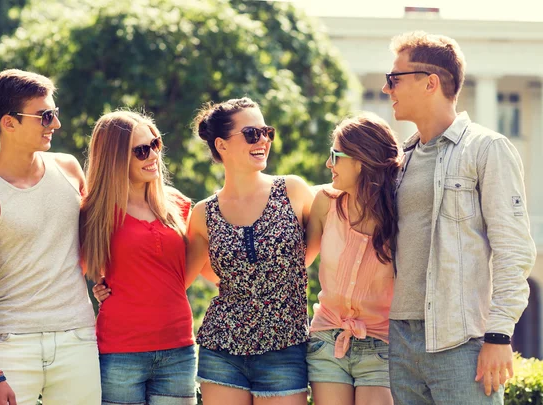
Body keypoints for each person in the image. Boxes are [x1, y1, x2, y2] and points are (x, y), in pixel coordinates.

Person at [381, 31, 537, 404]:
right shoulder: (402, 160)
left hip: (461, 343)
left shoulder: (487, 149)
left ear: (430, 82)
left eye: (394, 79)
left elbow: (513, 249)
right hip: (402, 341)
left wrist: (498, 335)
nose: (388, 90)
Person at [0, 69, 100, 405]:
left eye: (55, 113)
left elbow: (94, 243)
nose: (55, 124)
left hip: (76, 339)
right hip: (10, 345)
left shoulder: (69, 169)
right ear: (9, 123)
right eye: (45, 116)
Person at [185, 97, 314, 405]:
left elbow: (319, 246)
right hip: (221, 349)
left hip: (285, 347)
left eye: (266, 131)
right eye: (252, 134)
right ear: (222, 145)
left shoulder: (294, 192)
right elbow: (184, 276)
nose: (264, 141)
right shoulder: (204, 213)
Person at [81, 111, 197, 405]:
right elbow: (66, 268)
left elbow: (201, 267)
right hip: (120, 352)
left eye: (155, 144)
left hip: (178, 349)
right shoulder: (94, 213)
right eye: (141, 150)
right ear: (115, 157)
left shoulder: (178, 205)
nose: (153, 155)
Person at [305, 113, 401, 405]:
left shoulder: (401, 212)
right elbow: (297, 265)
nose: (328, 164)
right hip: (327, 340)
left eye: (335, 155)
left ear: (360, 160)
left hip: (381, 346)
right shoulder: (325, 203)